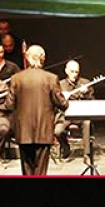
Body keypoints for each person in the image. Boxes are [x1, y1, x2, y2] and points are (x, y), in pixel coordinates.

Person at [6, 44, 68, 175]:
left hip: (23, 131)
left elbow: (9, 105)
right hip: (43, 131)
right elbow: (62, 104)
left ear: (27, 58)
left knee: (27, 171)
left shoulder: (16, 78)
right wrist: (65, 99)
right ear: (43, 58)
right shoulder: (51, 78)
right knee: (40, 171)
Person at [53, 59, 95, 160]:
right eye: (72, 71)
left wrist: (85, 94)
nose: (74, 74)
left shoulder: (85, 83)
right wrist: (63, 99)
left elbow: (92, 101)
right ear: (66, 71)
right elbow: (56, 103)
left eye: (76, 72)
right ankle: (65, 147)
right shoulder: (60, 85)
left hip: (81, 115)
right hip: (66, 116)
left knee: (87, 123)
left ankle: (87, 154)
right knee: (57, 131)